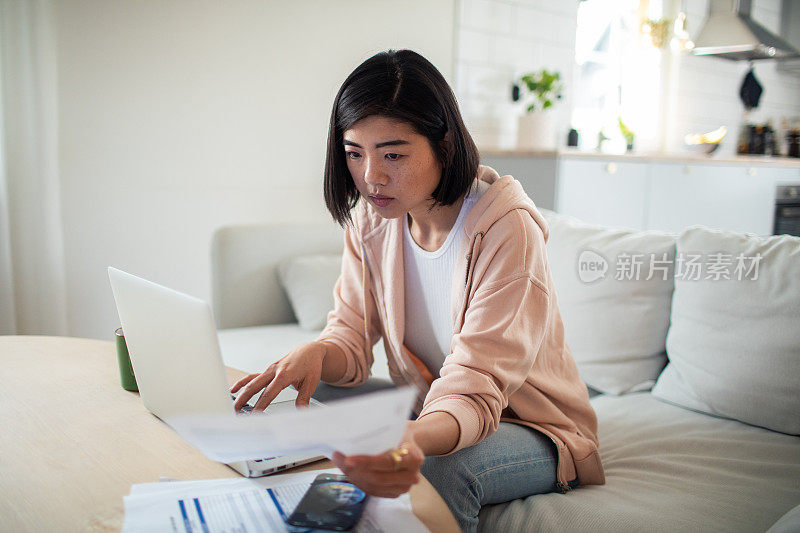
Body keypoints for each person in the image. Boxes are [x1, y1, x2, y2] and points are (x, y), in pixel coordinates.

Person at [231, 49, 605, 532]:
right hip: (429, 404)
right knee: (311, 388)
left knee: (438, 466)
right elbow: (350, 340)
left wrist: (408, 440)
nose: (371, 177)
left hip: (530, 426)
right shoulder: (373, 218)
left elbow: (475, 388)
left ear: (443, 145)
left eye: (393, 154)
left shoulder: (506, 229)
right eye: (354, 153)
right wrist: (318, 353)